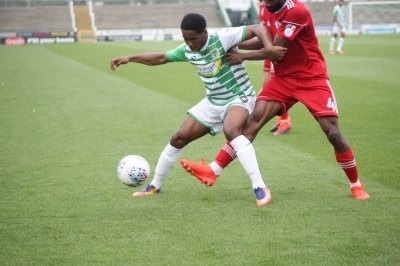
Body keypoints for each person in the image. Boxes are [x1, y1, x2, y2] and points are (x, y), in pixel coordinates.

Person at [180, 0, 370, 201]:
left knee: (332, 131)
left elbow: (276, 50)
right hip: (282, 79)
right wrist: (231, 42)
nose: (265, 2)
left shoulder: (297, 11)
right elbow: (265, 41)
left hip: (311, 78)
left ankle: (356, 185)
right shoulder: (265, 8)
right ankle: (213, 170)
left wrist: (242, 56)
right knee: (252, 122)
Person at [110, 13, 287, 206]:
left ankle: (259, 187)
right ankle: (154, 185)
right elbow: (161, 57)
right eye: (186, 39)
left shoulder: (222, 37)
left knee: (232, 131)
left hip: (239, 97)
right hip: (212, 102)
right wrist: (130, 58)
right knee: (178, 138)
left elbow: (258, 28)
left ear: (205, 33)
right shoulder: (187, 50)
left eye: (193, 38)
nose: (190, 43)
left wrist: (268, 48)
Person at [258, 0, 292, 135]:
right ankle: (282, 118)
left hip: (274, 48)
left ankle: (285, 120)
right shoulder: (263, 6)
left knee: (274, 88)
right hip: (268, 48)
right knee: (266, 84)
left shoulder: (273, 5)